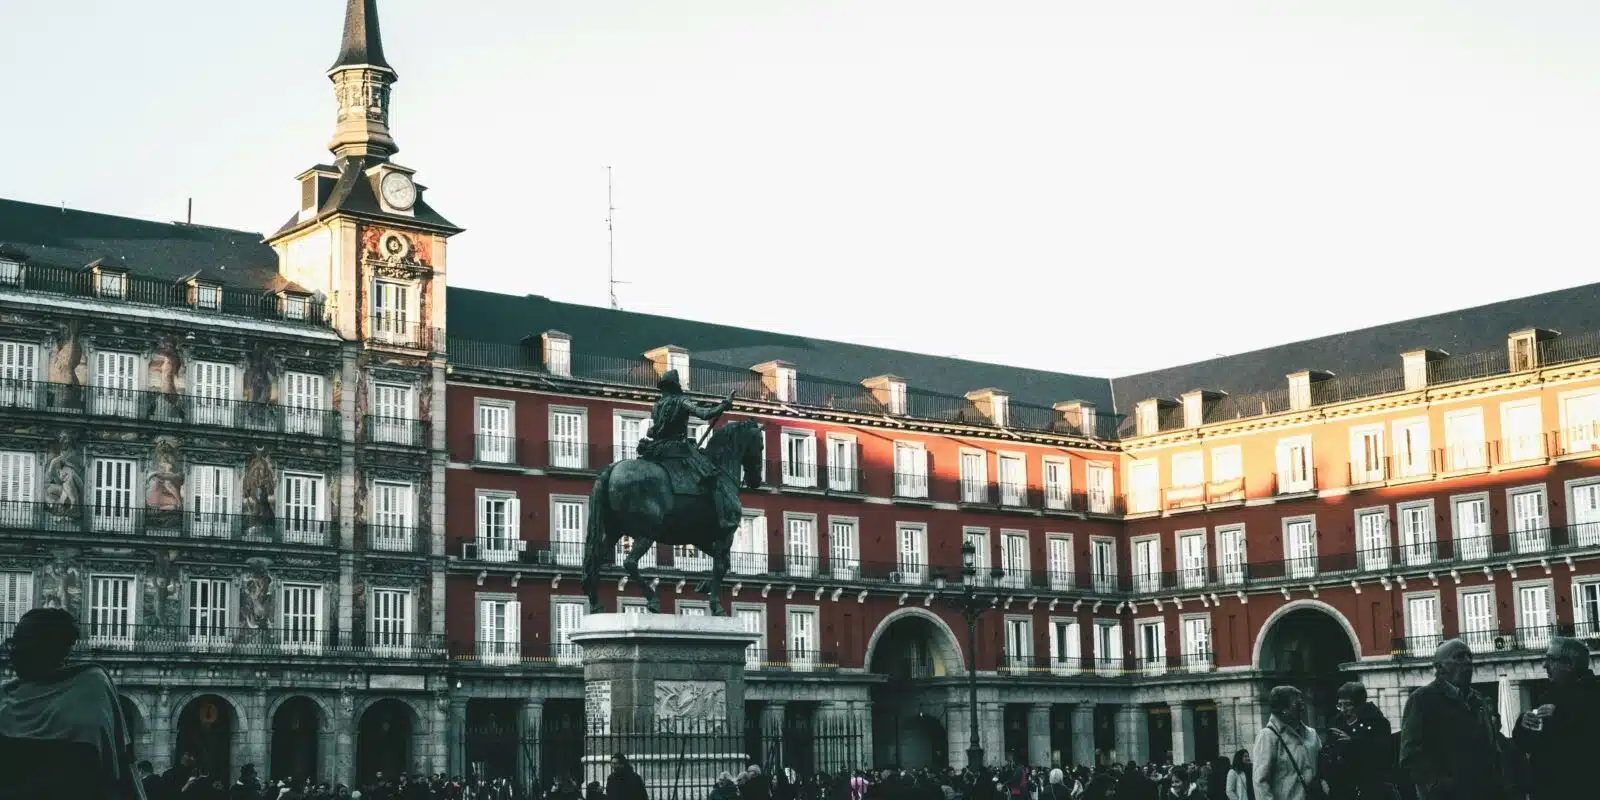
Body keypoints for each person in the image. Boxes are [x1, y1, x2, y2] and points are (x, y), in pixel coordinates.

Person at [0, 607, 146, 799]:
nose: (11, 649)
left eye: (19, 641)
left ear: (47, 647)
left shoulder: (90, 687)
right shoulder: (7, 693)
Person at [1398, 639, 1508, 800]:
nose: (1468, 662)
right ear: (1441, 667)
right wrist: (1439, 787)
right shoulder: (1422, 700)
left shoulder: (1478, 700)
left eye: (1469, 657)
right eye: (1459, 657)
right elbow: (1411, 756)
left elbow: (1492, 747)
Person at [635, 370, 737, 525]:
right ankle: (722, 519)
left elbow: (655, 429)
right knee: (712, 475)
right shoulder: (682, 401)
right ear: (676, 387)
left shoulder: (656, 405)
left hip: (656, 448)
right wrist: (724, 405)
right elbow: (704, 414)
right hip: (677, 447)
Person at [1512, 636, 1600, 800]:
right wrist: (1523, 725)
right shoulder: (1548, 696)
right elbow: (1526, 746)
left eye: (1550, 660)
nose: (1545, 665)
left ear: (1569, 665)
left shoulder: (1595, 696)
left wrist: (1561, 717)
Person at [1252, 686, 1323, 800]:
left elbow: (1323, 768)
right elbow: (1260, 782)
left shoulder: (1312, 734)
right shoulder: (1268, 736)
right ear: (1283, 709)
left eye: (1302, 702)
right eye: (1296, 704)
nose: (1302, 707)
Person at [1327, 682, 1395, 800]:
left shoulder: (1378, 723)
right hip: (1342, 788)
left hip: (1371, 788)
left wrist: (1353, 743)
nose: (1343, 710)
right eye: (1339, 705)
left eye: (1348, 705)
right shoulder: (1336, 722)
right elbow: (1328, 752)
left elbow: (1383, 755)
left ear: (1360, 704)